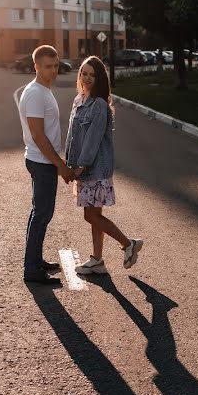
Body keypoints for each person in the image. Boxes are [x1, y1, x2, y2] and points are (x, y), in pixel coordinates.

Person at [64, 56, 144, 275]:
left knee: (91, 216)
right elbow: (72, 136)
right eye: (84, 73)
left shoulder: (99, 105)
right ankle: (97, 260)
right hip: (83, 168)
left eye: (92, 74)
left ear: (99, 78)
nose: (87, 78)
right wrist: (68, 163)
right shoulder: (79, 100)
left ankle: (128, 244)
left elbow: (93, 139)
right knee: (93, 216)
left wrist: (80, 167)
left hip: (94, 169)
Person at [18, 45, 74, 285]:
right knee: (41, 215)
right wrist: (60, 165)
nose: (53, 71)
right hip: (42, 162)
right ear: (36, 67)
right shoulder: (35, 94)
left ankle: (35, 261)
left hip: (41, 161)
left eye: (55, 66)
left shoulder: (42, 90)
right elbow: (38, 135)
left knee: (39, 214)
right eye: (47, 66)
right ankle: (32, 269)